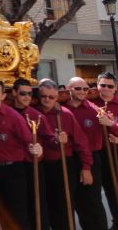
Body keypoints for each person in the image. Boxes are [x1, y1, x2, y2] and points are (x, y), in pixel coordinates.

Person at [0, 78, 42, 230]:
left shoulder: (13, 116)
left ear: (3, 96)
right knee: (3, 215)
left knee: (18, 214)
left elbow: (29, 141)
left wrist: (36, 149)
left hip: (13, 171)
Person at [36, 79, 93, 230]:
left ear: (57, 97)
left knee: (64, 208)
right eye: (43, 96)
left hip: (62, 165)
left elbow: (82, 142)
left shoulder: (65, 115)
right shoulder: (34, 114)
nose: (47, 100)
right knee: (44, 207)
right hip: (40, 166)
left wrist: (86, 167)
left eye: (51, 97)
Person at [64, 77, 110, 230]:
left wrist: (111, 125)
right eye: (78, 89)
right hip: (71, 159)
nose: (82, 92)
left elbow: (113, 125)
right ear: (68, 88)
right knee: (78, 202)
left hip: (92, 159)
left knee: (93, 201)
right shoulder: (62, 109)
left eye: (85, 89)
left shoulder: (93, 109)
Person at [11, 77, 54, 230]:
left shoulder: (37, 116)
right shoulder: (7, 112)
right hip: (14, 167)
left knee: (37, 205)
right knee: (19, 208)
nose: (27, 97)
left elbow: (50, 139)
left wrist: (56, 141)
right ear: (14, 93)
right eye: (23, 93)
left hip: (33, 165)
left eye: (30, 94)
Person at [92, 71, 118, 228]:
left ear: (115, 88)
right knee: (105, 191)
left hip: (115, 153)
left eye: (110, 86)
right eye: (103, 85)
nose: (106, 89)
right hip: (97, 154)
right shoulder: (91, 104)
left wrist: (112, 125)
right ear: (97, 86)